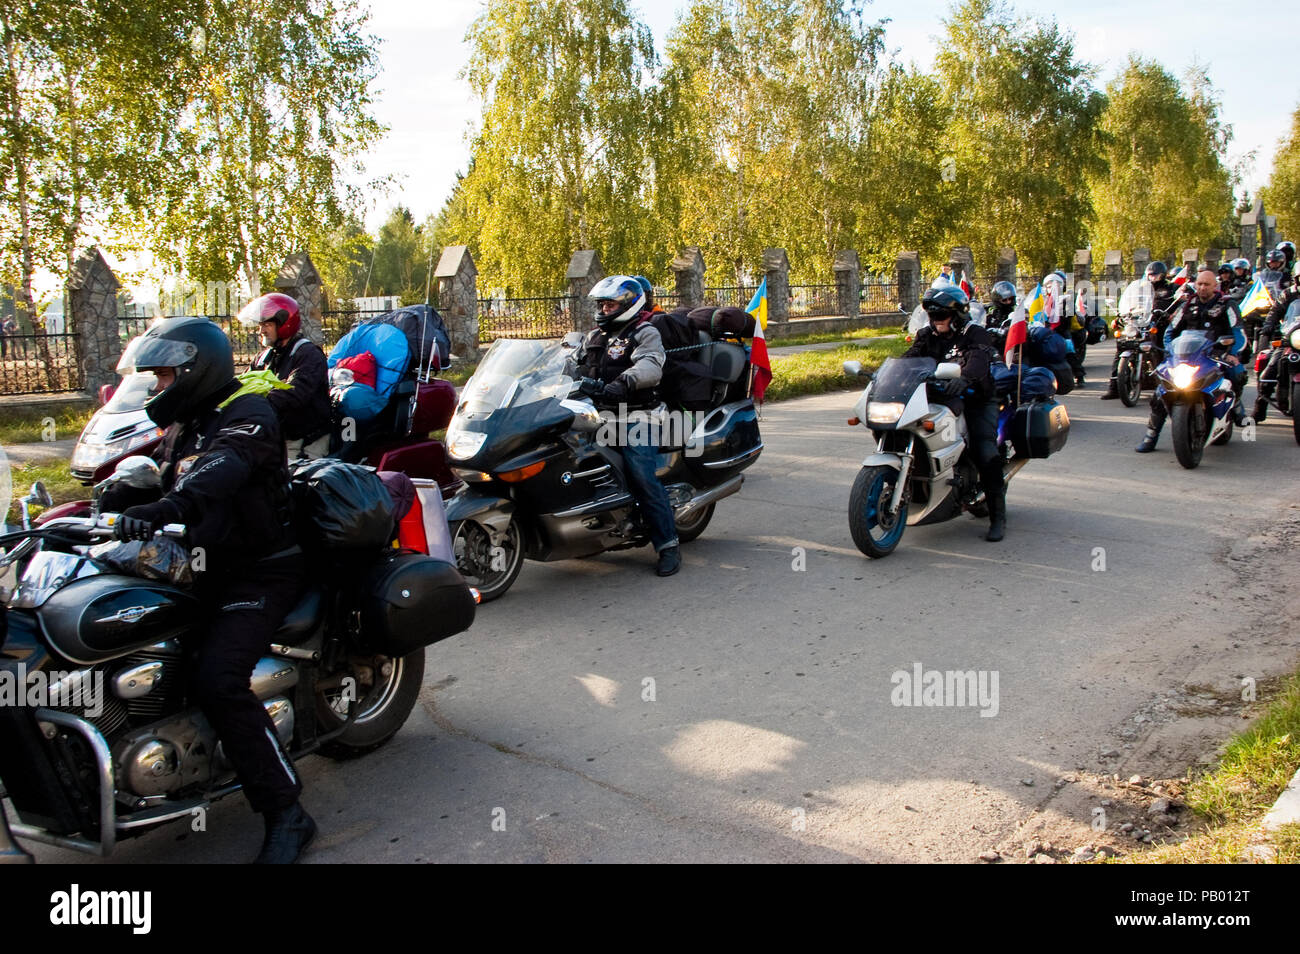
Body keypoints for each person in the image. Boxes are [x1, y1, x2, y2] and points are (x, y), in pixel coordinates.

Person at [106, 316, 315, 863]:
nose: (157, 388)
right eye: (153, 378)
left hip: (260, 570)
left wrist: (169, 506)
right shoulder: (185, 423)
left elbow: (221, 469)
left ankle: (286, 812)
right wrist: (110, 503)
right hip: (200, 567)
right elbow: (154, 472)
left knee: (218, 678)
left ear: (196, 370)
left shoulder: (247, 412)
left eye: (164, 376)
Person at [571, 275, 681, 576]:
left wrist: (625, 382)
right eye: (602, 305)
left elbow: (650, 364)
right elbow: (570, 363)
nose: (604, 310)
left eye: (610, 305)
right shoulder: (593, 336)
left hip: (638, 415)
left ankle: (667, 544)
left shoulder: (645, 332)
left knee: (639, 472)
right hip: (598, 414)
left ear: (629, 305)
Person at [901, 283, 1005, 541]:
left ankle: (998, 517)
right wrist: (887, 374)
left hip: (976, 398)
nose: (935, 321)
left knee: (984, 451)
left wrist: (966, 378)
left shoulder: (975, 334)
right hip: (939, 397)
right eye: (932, 316)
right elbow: (910, 358)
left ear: (957, 314)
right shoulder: (927, 335)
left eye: (940, 316)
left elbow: (979, 362)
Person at [1135, 268, 1246, 452]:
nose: (1202, 288)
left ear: (1215, 285)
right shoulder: (1187, 304)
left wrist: (1232, 352)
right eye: (1199, 284)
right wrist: (1171, 350)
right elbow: (1171, 331)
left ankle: (1236, 405)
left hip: (1216, 353)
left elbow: (1238, 332)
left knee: (1235, 372)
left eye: (1206, 284)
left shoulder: (1227, 304)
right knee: (1161, 390)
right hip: (1189, 355)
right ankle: (1151, 436)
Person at [238, 293, 331, 460]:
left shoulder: (307, 354)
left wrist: (256, 403)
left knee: (290, 480)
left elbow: (294, 393)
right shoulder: (265, 357)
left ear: (284, 324)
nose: (261, 330)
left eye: (266, 325)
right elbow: (242, 383)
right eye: (260, 325)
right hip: (275, 435)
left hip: (303, 440)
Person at [1101, 261, 1181, 400]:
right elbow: (1129, 303)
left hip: (1161, 324)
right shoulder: (1141, 288)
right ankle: (1114, 387)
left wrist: (1174, 313)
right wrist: (1120, 315)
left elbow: (1183, 300)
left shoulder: (1171, 288)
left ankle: (1168, 384)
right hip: (1140, 322)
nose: (1151, 278)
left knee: (1164, 347)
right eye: (1149, 275)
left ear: (1162, 275)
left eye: (1154, 275)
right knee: (1122, 347)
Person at [1254, 261, 1300, 421]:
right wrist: (1267, 328)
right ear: (1296, 278)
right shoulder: (1287, 294)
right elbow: (1274, 312)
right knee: (1270, 369)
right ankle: (1260, 408)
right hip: (1291, 340)